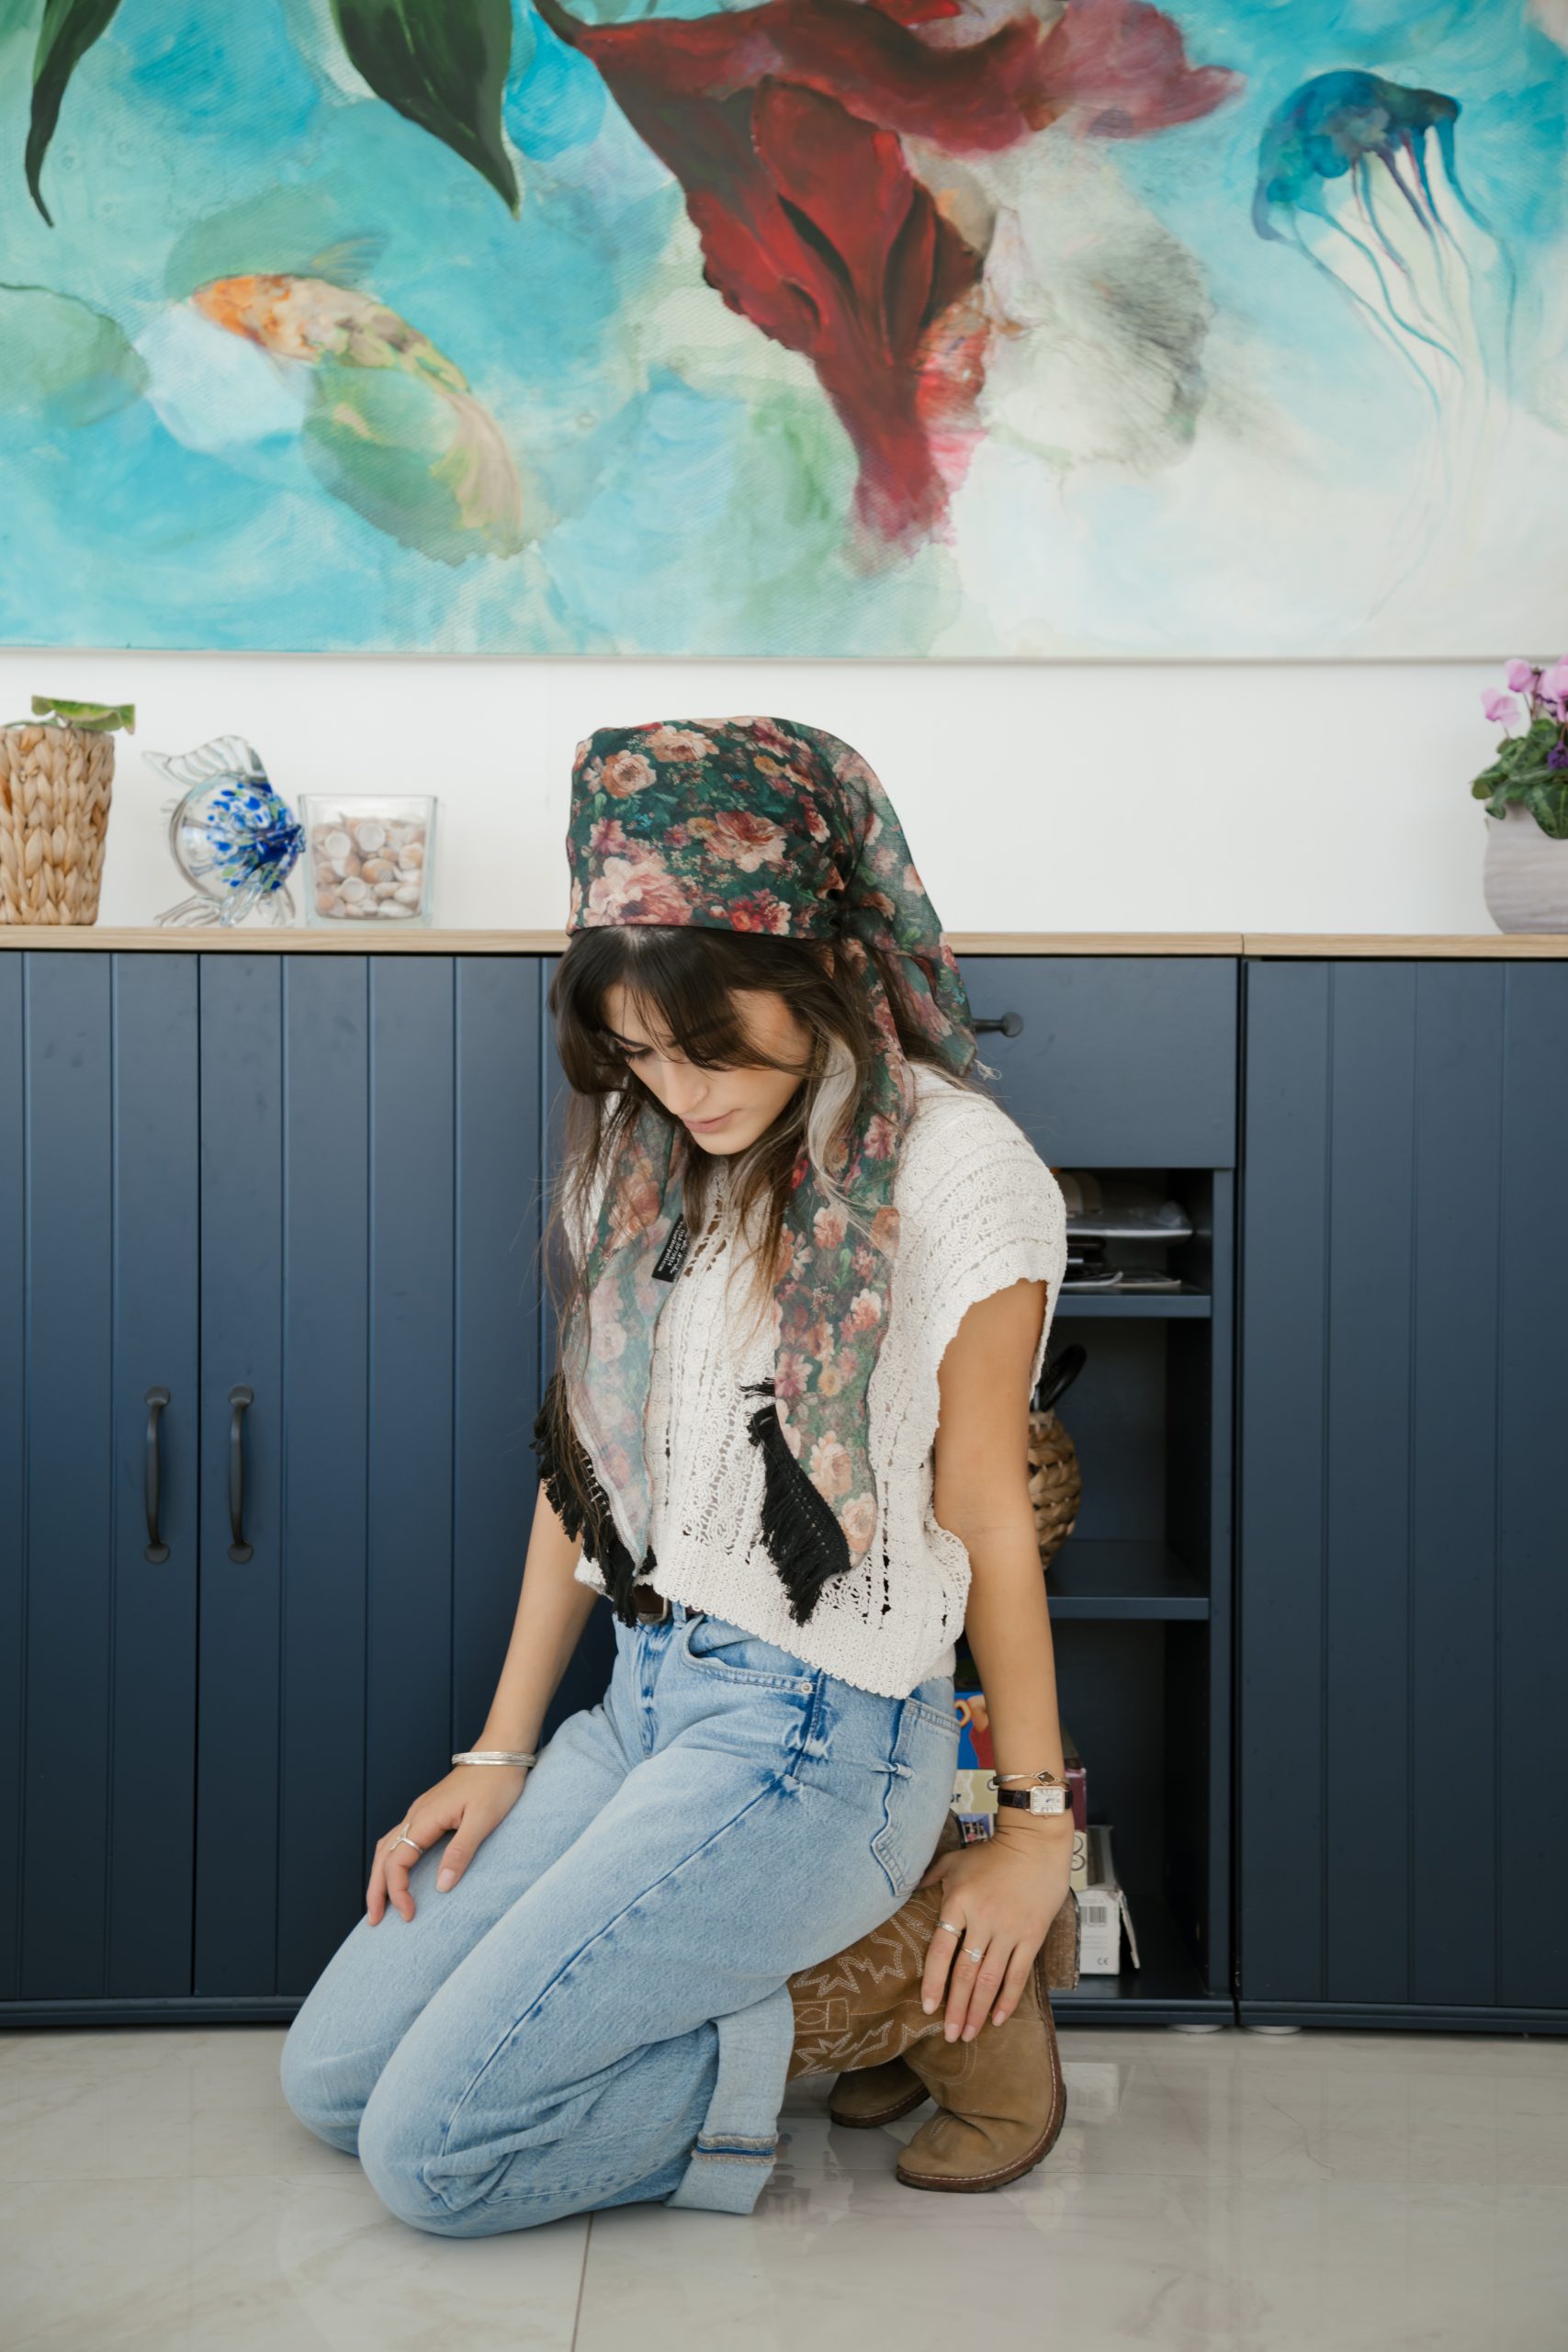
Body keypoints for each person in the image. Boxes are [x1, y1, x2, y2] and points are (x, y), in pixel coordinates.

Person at [279, 714, 1072, 2233]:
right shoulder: (640, 1163)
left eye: (708, 1045)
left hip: (820, 1738)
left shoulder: (959, 1169)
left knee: (434, 2159)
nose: (677, 1087)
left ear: (818, 970)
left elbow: (983, 1502)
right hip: (642, 1702)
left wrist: (1037, 1828)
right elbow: (585, 1467)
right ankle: (829, 1998)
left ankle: (887, 1997)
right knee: (332, 2085)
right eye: (636, 1052)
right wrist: (499, 1752)